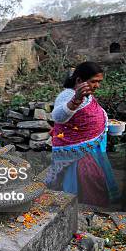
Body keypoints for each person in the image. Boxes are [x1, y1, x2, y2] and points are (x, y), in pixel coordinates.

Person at [45, 62, 119, 207]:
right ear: (79, 81)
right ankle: (82, 209)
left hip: (92, 147)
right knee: (87, 181)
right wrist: (75, 100)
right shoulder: (68, 95)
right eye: (93, 81)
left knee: (96, 177)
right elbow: (58, 117)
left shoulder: (87, 95)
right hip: (77, 150)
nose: (97, 86)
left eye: (99, 82)